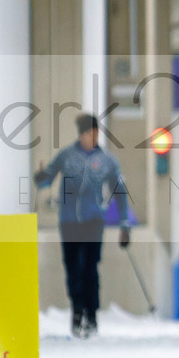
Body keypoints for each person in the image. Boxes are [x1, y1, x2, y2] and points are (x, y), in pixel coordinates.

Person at [34, 113, 130, 339]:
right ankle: (77, 312)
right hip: (69, 222)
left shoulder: (107, 160)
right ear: (82, 134)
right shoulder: (67, 156)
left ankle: (92, 314)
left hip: (94, 221)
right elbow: (47, 178)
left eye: (96, 133)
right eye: (89, 133)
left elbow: (120, 192)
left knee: (90, 268)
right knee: (72, 268)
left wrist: (125, 224)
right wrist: (39, 177)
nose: (93, 137)